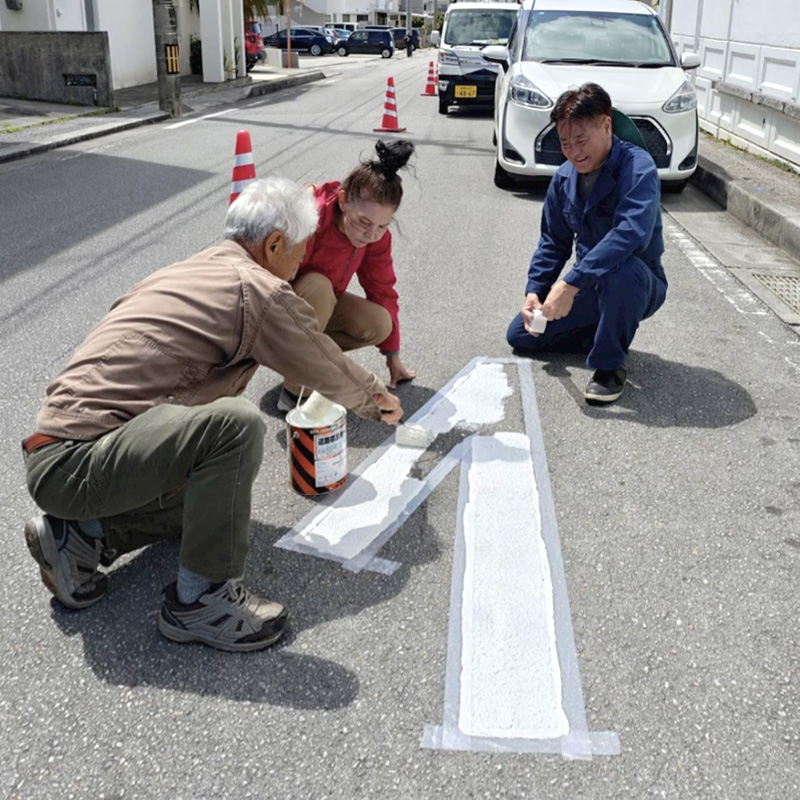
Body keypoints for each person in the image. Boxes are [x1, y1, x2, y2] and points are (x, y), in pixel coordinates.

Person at [22, 177, 403, 653]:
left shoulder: (192, 268)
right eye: (298, 250)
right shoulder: (257, 288)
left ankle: (81, 537)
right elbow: (319, 359)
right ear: (274, 244)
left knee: (218, 505)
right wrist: (379, 400)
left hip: (61, 451)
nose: (300, 262)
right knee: (234, 427)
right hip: (80, 460)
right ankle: (201, 601)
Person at [506, 83, 668, 404]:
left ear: (606, 125)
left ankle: (609, 365)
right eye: (565, 143)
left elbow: (630, 234)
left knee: (622, 271)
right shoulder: (565, 178)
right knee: (522, 335)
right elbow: (553, 241)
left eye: (581, 139)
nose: (574, 151)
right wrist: (535, 292)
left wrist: (569, 284)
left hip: (638, 281)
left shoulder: (638, 168)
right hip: (588, 285)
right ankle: (604, 331)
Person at [278, 139, 417, 411]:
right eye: (363, 222)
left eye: (382, 226)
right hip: (279, 312)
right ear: (343, 201)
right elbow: (273, 278)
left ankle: (314, 362)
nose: (370, 234)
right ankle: (295, 392)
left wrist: (393, 358)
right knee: (318, 287)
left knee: (380, 322)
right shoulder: (311, 219)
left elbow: (383, 288)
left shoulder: (376, 238)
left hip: (317, 311)